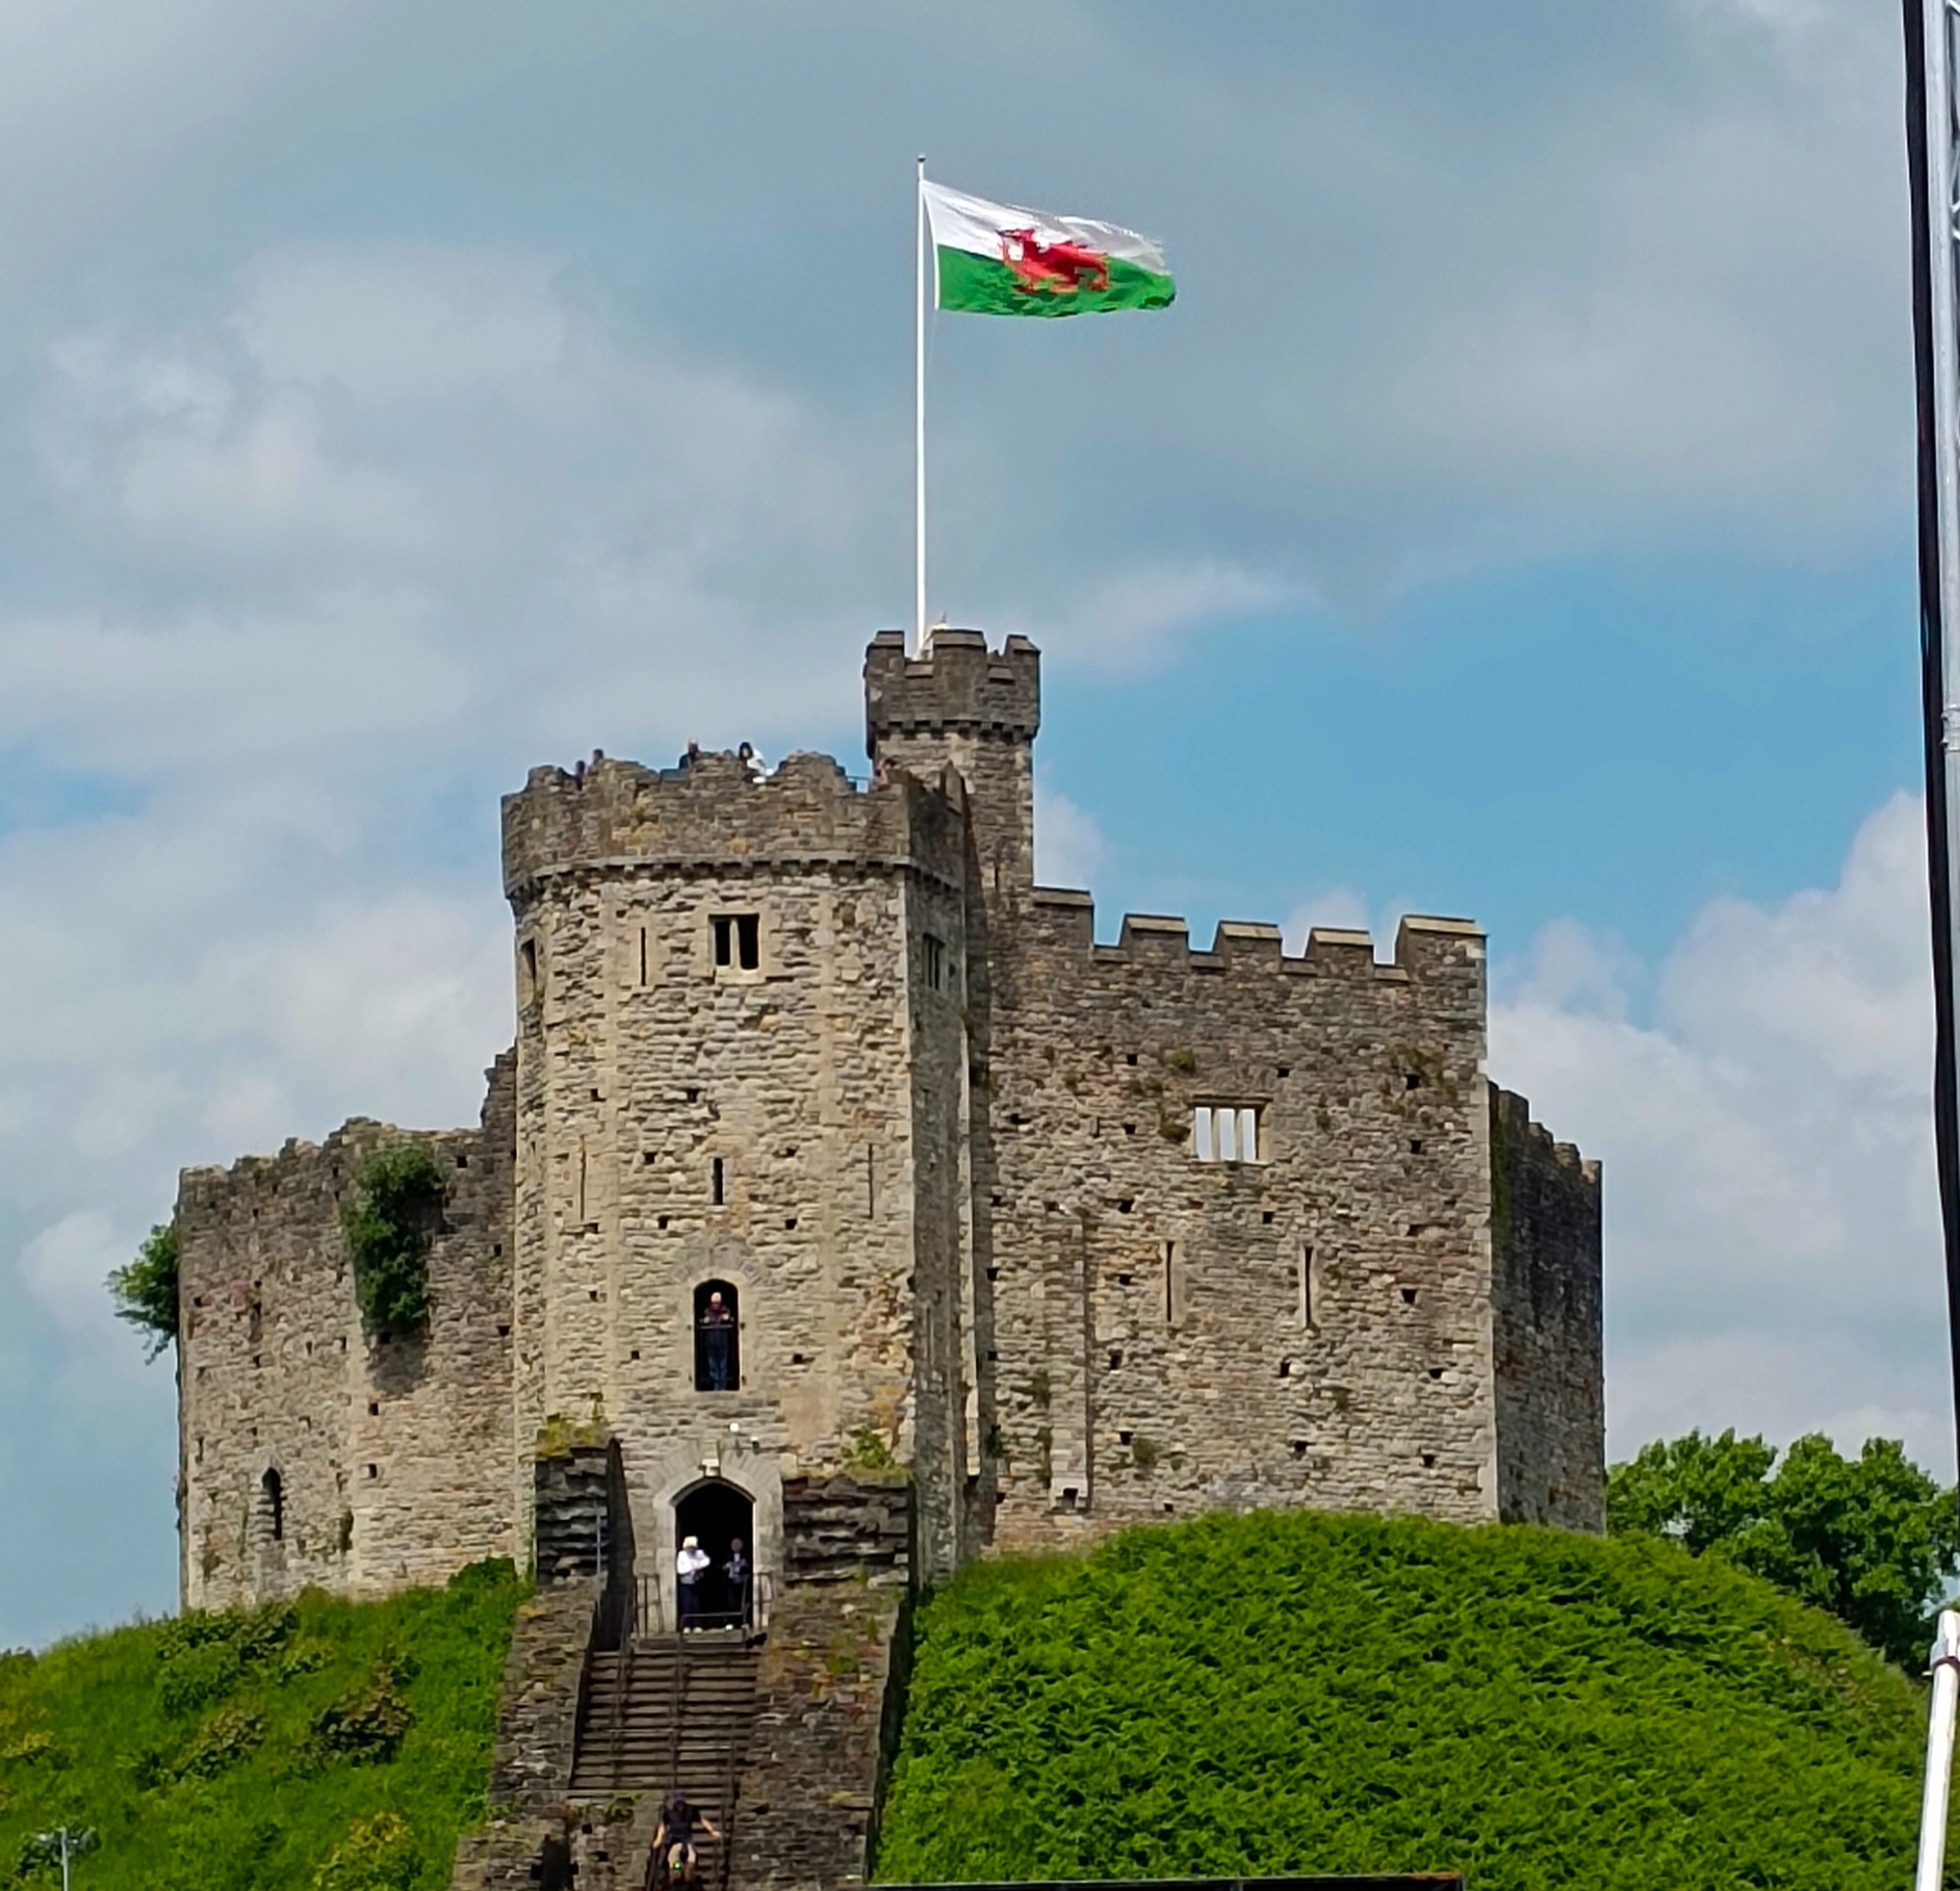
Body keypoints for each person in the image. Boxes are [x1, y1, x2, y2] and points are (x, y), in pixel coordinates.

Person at [655, 1789, 720, 1886]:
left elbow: (702, 1821)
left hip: (687, 1838)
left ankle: (688, 1873)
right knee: (674, 1858)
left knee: (692, 1857)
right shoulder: (669, 1812)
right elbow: (663, 1826)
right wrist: (658, 1839)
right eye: (678, 1802)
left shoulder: (690, 1810)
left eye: (681, 1801)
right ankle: (676, 1872)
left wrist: (712, 1831)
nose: (680, 1805)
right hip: (674, 1839)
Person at [699, 1290, 735, 1391]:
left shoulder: (725, 1311)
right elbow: (701, 1321)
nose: (716, 1305)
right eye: (714, 1303)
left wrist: (727, 1319)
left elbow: (732, 1320)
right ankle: (715, 1384)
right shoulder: (707, 1312)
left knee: (723, 1364)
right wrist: (704, 1321)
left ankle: (722, 1384)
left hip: (722, 1340)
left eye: (717, 1303)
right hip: (711, 1341)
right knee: (712, 1364)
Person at [676, 1534, 709, 1630]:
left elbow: (707, 1560)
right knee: (687, 1604)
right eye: (690, 1547)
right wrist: (690, 1569)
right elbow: (680, 1570)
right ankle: (687, 1625)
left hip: (696, 1582)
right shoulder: (682, 1555)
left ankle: (697, 1624)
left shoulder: (699, 1553)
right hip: (686, 1583)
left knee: (696, 1604)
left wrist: (699, 1566)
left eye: (693, 1547)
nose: (692, 1550)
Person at [723, 1536, 752, 1633]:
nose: (736, 1546)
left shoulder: (746, 1555)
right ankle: (730, 1623)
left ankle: (743, 1622)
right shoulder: (727, 1555)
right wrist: (727, 1567)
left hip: (742, 1582)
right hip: (731, 1582)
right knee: (731, 1603)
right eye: (734, 1545)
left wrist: (743, 1567)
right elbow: (721, 1566)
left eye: (738, 1544)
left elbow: (749, 1567)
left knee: (743, 1603)